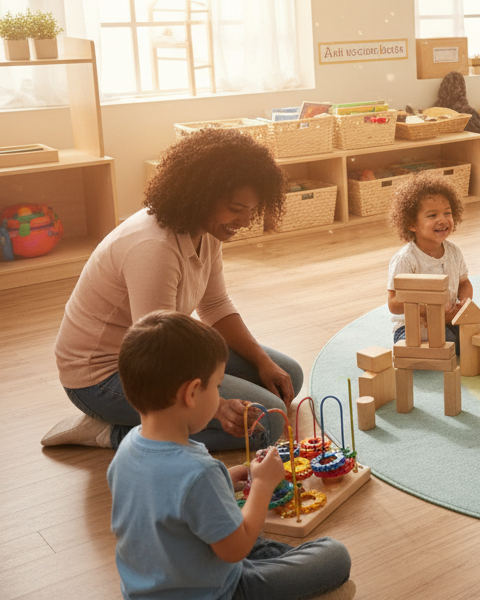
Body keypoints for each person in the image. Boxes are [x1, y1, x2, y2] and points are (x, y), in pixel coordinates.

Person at [46, 129, 301, 451]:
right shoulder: (153, 246)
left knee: (286, 377)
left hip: (161, 351)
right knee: (266, 422)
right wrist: (217, 407)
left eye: (252, 209)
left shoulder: (205, 229)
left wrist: (263, 361)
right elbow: (156, 350)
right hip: (106, 377)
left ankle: (156, 420)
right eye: (236, 208)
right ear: (202, 194)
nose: (246, 221)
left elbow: (216, 306)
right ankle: (107, 432)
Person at [108, 311, 354, 600]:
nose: (219, 394)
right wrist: (261, 486)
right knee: (335, 556)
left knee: (244, 533)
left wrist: (227, 478)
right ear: (191, 394)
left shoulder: (127, 449)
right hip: (219, 591)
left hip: (147, 590)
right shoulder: (199, 472)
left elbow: (166, 504)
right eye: (218, 386)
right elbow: (235, 550)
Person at [386, 174, 480, 352]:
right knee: (447, 340)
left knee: (479, 329)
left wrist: (465, 302)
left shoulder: (453, 251)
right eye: (432, 215)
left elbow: (464, 282)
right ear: (412, 224)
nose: (443, 219)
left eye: (447, 213)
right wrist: (425, 310)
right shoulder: (406, 259)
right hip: (414, 326)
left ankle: (451, 342)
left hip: (448, 318)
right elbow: (393, 303)